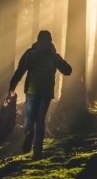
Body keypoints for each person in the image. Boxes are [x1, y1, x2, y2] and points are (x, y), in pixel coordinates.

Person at [7, 30, 72, 160]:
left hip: (32, 89)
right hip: (46, 91)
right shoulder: (53, 55)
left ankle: (29, 132)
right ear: (50, 40)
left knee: (30, 117)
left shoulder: (30, 53)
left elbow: (20, 71)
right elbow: (67, 71)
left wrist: (11, 87)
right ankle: (37, 152)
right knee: (40, 119)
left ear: (37, 40)